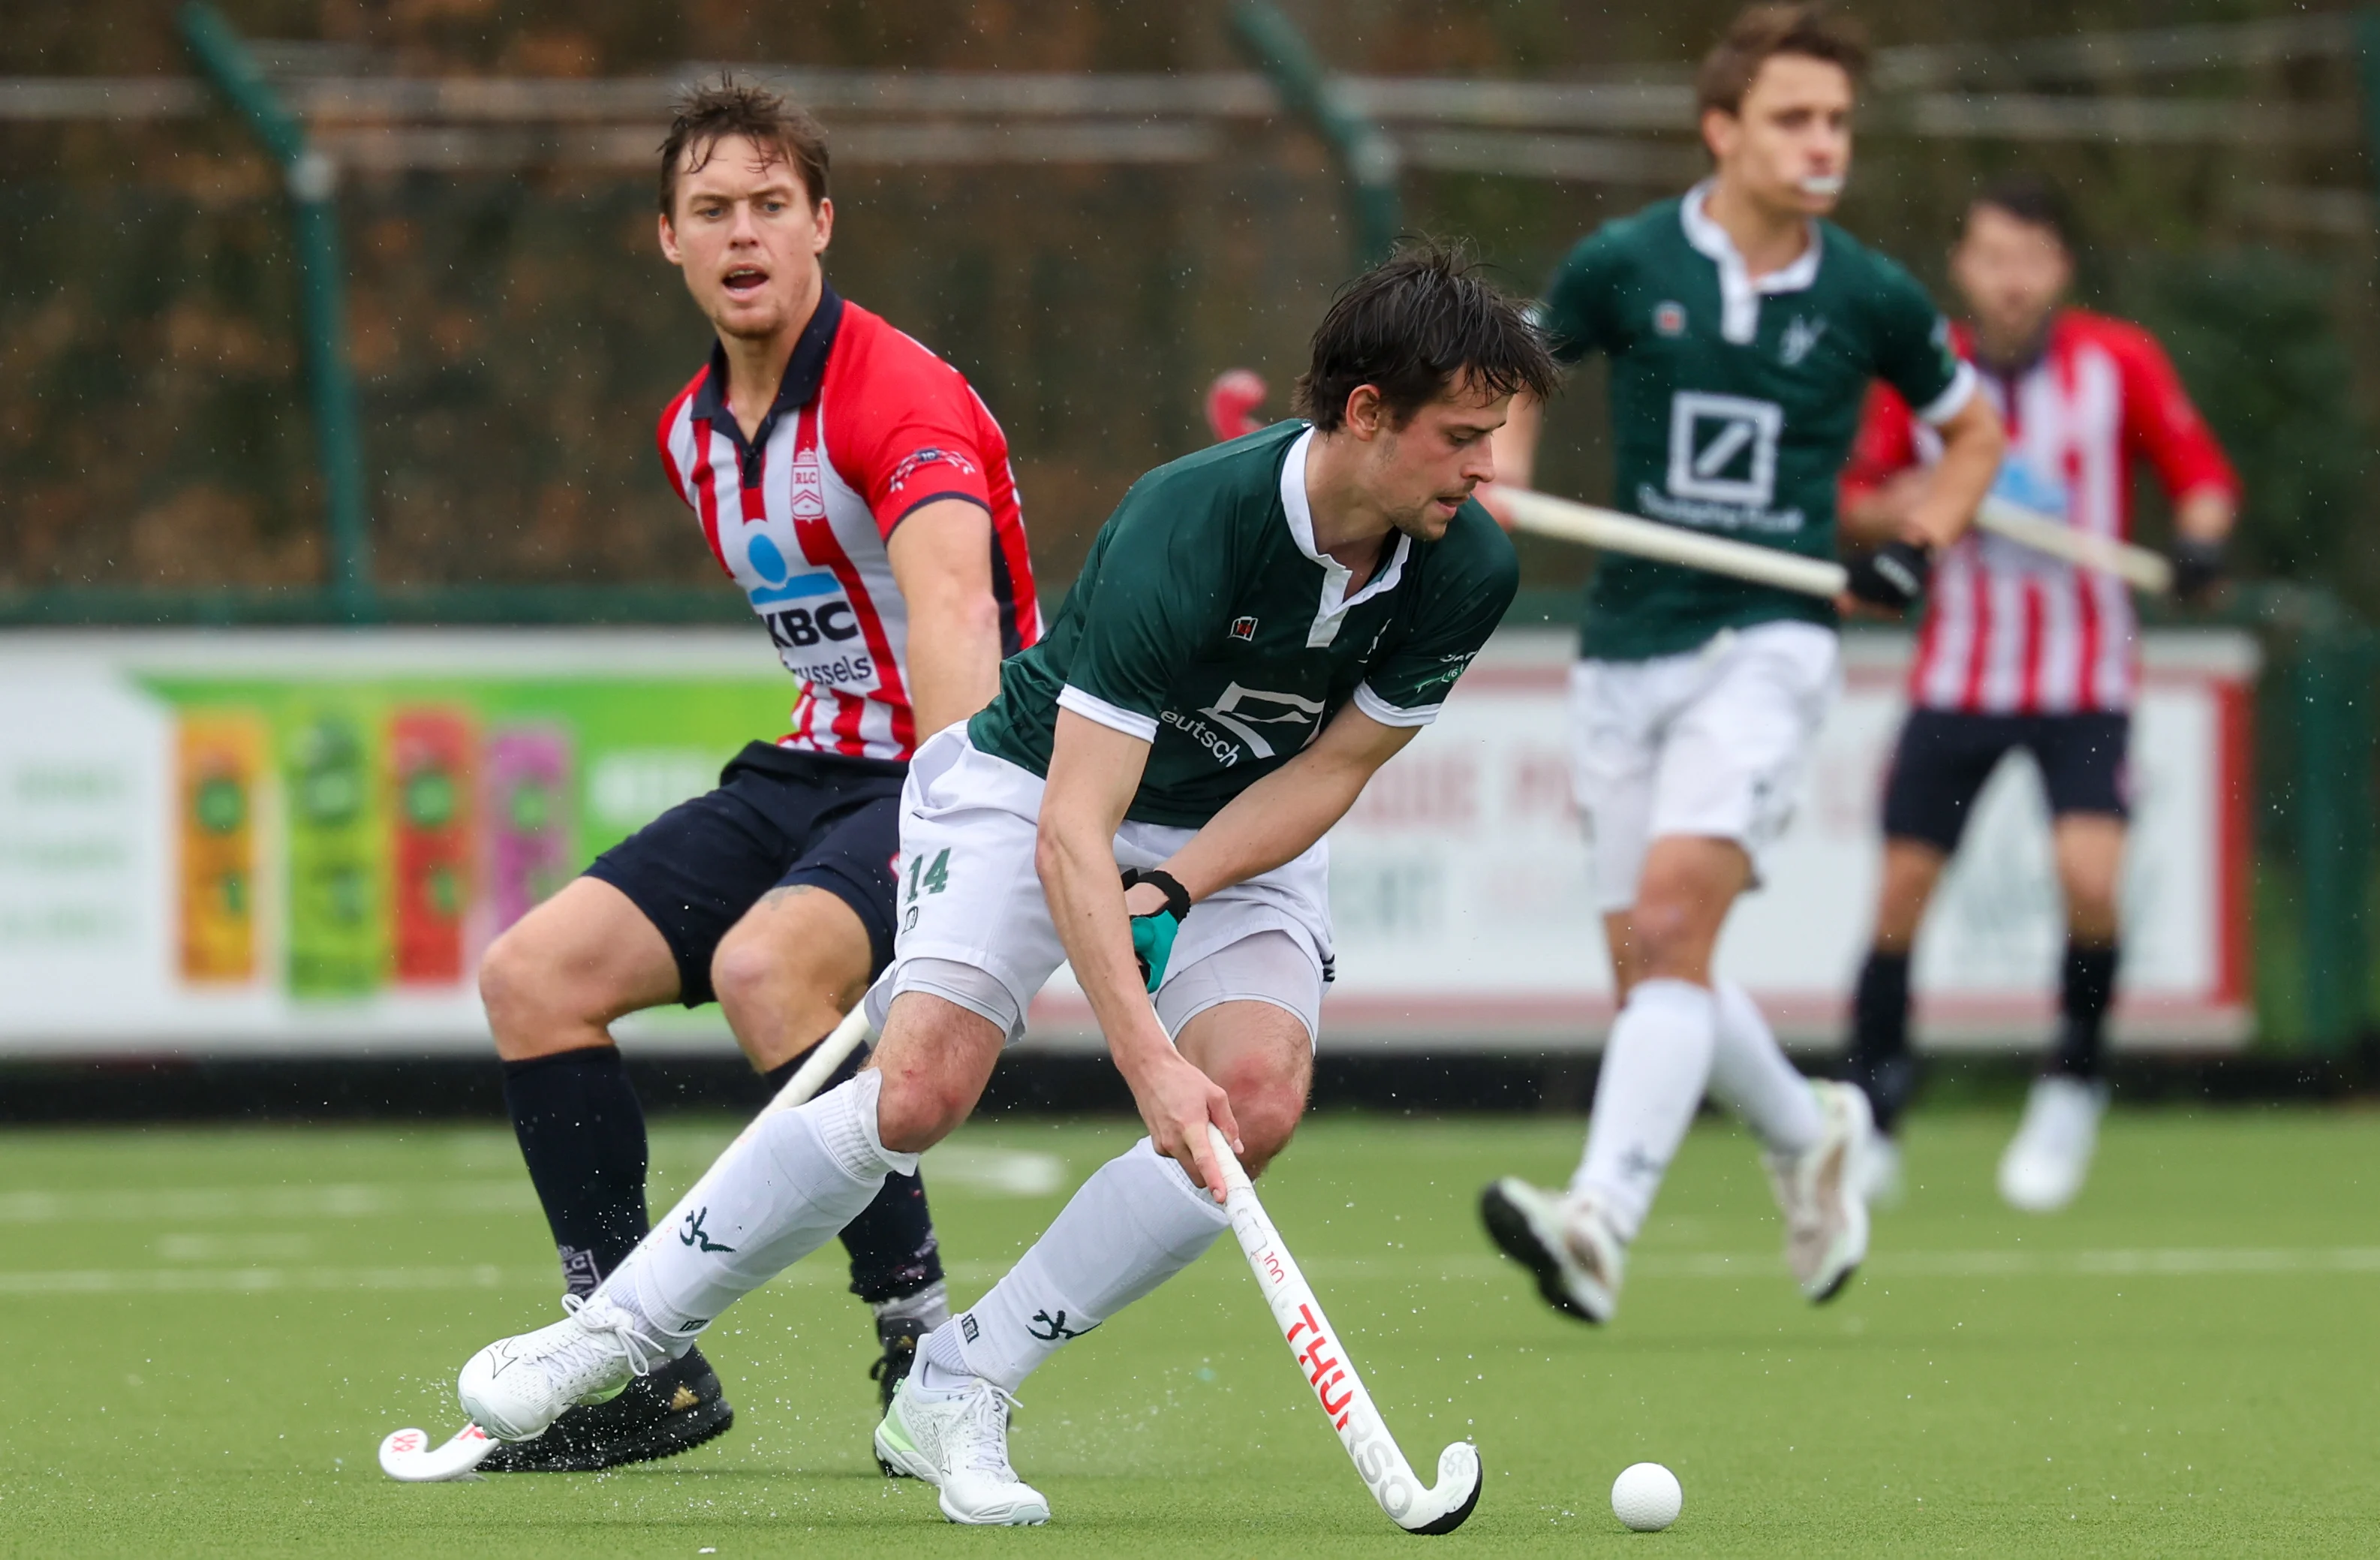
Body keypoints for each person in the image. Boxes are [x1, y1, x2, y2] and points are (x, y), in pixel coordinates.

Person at [447, 246, 1555, 1525]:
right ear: (1366, 414)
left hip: (1234, 829)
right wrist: (1145, 1056)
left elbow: (1337, 769)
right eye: (1463, 439)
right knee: (916, 1090)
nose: (1484, 472)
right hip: (1032, 786)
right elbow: (1074, 830)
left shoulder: (1467, 566)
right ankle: (618, 1335)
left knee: (1246, 1104)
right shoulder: (1187, 521)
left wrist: (1183, 886)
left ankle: (960, 1380)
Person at [471, 80, 1043, 1471]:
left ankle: (921, 1341)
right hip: (808, 762)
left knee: (765, 969)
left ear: (821, 224)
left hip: (948, 770)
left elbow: (960, 617)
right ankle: (630, 1360)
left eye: (771, 206)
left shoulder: (892, 393)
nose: (744, 236)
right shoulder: (691, 432)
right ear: (666, 238)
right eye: (713, 210)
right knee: (531, 978)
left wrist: (959, 837)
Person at [1476, 3, 2005, 1324]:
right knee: (1657, 972)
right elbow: (1519, 372)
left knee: (1668, 932)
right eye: (1793, 119)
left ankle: (1598, 1220)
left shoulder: (1868, 296)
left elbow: (1974, 432)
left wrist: (1924, 537)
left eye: (1836, 121)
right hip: (1627, 644)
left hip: (1767, 642)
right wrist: (1509, 471)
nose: (1822, 143)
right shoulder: (1625, 261)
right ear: (1723, 131)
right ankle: (1808, 1127)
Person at [1838, 174, 2240, 1213]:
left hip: (2082, 677)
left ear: (2057, 269)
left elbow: (2199, 475)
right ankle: (1874, 1108)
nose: (2008, 282)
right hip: (1957, 675)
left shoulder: (2118, 364)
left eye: (2029, 260)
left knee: (2089, 876)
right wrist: (1917, 505)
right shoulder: (1921, 372)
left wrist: (2198, 539)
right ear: (1963, 267)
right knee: (1897, 896)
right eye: (1989, 258)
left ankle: (2071, 1080)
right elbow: (1853, 501)